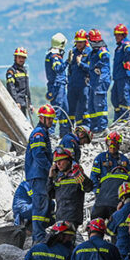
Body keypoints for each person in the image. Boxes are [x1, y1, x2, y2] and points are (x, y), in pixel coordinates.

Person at [25, 105, 56, 243]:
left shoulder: (43, 132)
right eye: (49, 119)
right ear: (41, 118)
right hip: (38, 175)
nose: (51, 122)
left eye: (52, 119)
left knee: (45, 206)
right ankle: (38, 239)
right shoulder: (38, 133)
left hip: (40, 174)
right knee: (40, 207)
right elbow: (39, 155)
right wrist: (51, 169)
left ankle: (39, 236)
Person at [51, 146, 93, 228]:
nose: (58, 164)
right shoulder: (59, 178)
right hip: (59, 218)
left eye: (61, 160)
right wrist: (50, 178)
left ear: (69, 161)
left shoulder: (77, 176)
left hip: (72, 218)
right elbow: (50, 194)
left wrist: (82, 177)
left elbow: (89, 188)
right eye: (56, 162)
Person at [86, 29, 111, 134]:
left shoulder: (102, 50)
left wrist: (98, 66)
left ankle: (103, 128)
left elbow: (106, 58)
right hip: (93, 82)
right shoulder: (93, 53)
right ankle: (94, 129)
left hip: (100, 81)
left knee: (99, 104)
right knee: (92, 105)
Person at [45, 32, 71, 136]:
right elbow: (57, 68)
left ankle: (64, 133)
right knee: (57, 109)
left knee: (65, 110)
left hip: (60, 85)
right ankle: (50, 133)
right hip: (57, 86)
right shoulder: (55, 56)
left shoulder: (50, 55)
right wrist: (67, 62)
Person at [66, 30, 91, 128]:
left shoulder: (89, 52)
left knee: (84, 108)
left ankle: (85, 128)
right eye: (77, 42)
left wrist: (81, 64)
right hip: (72, 85)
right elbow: (70, 69)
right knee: (71, 108)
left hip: (84, 85)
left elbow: (91, 69)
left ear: (85, 42)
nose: (79, 44)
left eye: (81, 42)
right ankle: (70, 128)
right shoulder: (73, 52)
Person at [111, 24, 130, 123]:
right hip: (117, 77)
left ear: (123, 35)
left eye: (119, 35)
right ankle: (118, 119)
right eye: (115, 35)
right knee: (114, 97)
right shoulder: (119, 46)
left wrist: (126, 60)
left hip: (124, 76)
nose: (116, 37)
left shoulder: (125, 44)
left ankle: (125, 119)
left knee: (123, 98)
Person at [6, 47, 31, 117]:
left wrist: (29, 103)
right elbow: (11, 88)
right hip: (17, 103)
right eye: (19, 57)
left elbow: (27, 88)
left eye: (23, 58)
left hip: (24, 103)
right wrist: (16, 101)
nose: (21, 59)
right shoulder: (11, 71)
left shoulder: (25, 71)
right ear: (15, 58)